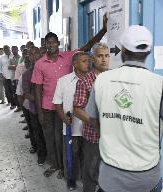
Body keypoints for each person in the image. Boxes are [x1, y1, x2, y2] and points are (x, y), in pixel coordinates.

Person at [87, 25, 163, 192]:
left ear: (123, 50)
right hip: (145, 180)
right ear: (148, 52)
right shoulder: (160, 84)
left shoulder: (102, 80)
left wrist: (115, 132)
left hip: (110, 177)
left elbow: (93, 120)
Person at [31, 14, 108, 179]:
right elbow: (37, 88)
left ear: (58, 44)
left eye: (54, 42)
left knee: (62, 139)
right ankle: (54, 164)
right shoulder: (39, 64)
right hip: (47, 107)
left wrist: (104, 30)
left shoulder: (68, 56)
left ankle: (64, 168)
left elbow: (88, 45)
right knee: (50, 138)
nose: (51, 45)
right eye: (48, 43)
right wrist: (40, 112)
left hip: (64, 107)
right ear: (45, 45)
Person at [73, 43, 110, 192]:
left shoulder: (113, 78)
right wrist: (95, 124)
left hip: (112, 136)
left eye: (106, 56)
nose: (104, 59)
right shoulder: (85, 81)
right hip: (93, 136)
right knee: (90, 171)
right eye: (100, 56)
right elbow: (77, 109)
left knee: (108, 171)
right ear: (93, 59)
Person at [53, 51, 90, 190]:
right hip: (70, 127)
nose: (88, 63)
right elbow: (57, 103)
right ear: (75, 63)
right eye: (84, 61)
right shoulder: (63, 81)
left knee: (88, 158)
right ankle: (71, 181)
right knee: (71, 156)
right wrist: (63, 117)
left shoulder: (94, 80)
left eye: (88, 60)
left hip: (89, 129)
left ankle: (88, 182)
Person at [23, 47, 47, 166]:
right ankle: (41, 155)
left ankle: (53, 157)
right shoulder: (27, 74)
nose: (35, 56)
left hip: (50, 109)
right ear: (30, 57)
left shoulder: (48, 68)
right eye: (32, 54)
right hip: (35, 110)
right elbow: (26, 93)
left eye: (37, 53)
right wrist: (40, 100)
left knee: (50, 134)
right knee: (38, 133)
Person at [9, 46, 21, 112]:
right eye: (12, 49)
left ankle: (22, 107)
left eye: (15, 49)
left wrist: (14, 66)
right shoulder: (11, 59)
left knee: (21, 93)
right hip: (13, 78)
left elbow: (21, 67)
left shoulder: (21, 58)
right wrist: (16, 66)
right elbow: (9, 67)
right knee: (15, 93)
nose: (13, 51)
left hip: (20, 78)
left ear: (17, 50)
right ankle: (18, 106)